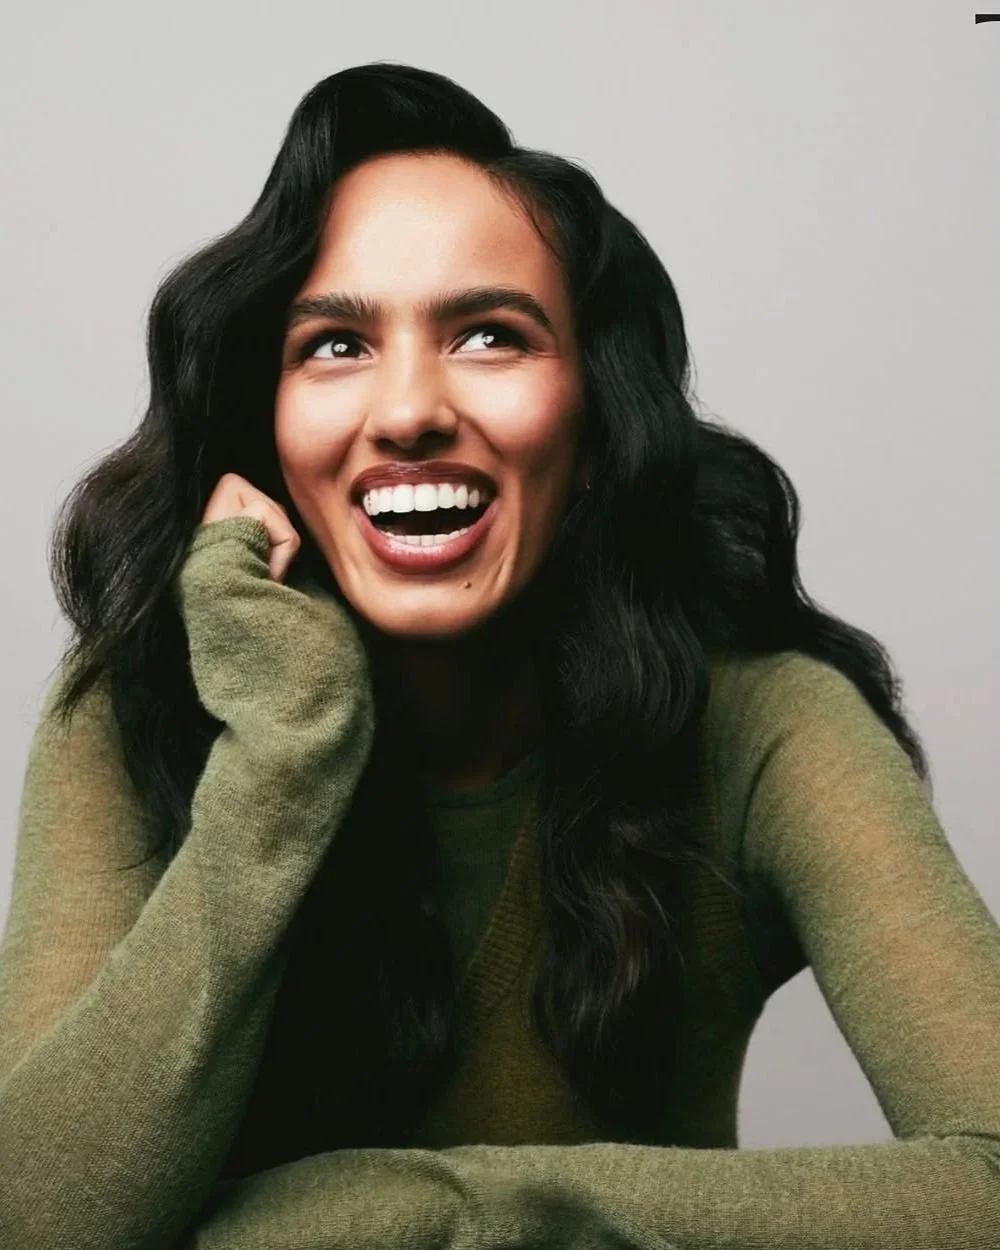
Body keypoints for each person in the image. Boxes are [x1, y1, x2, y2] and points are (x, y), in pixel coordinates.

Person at [1, 60, 998, 1250]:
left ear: (593, 423)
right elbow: (35, 1220)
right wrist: (282, 757)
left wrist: (440, 1209)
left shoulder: (767, 725)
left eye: (488, 334)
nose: (410, 408)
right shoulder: (135, 715)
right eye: (333, 344)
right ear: (263, 429)